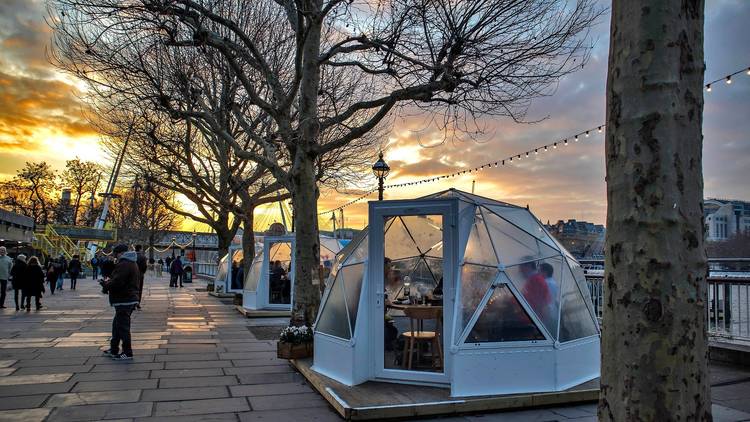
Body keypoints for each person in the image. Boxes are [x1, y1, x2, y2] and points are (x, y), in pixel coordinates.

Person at [101, 244, 139, 360]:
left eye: (115, 254)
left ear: (120, 253)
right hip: (126, 298)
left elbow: (118, 282)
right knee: (117, 326)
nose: (115, 257)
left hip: (124, 299)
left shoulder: (124, 264)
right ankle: (114, 349)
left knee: (122, 327)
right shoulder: (130, 263)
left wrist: (106, 284)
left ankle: (127, 352)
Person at [134, 245, 148, 309]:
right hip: (140, 274)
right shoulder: (143, 257)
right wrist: (142, 272)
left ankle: (132, 303)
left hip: (132, 274)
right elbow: (144, 267)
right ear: (140, 249)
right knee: (139, 289)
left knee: (132, 289)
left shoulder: (132, 256)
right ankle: (138, 303)